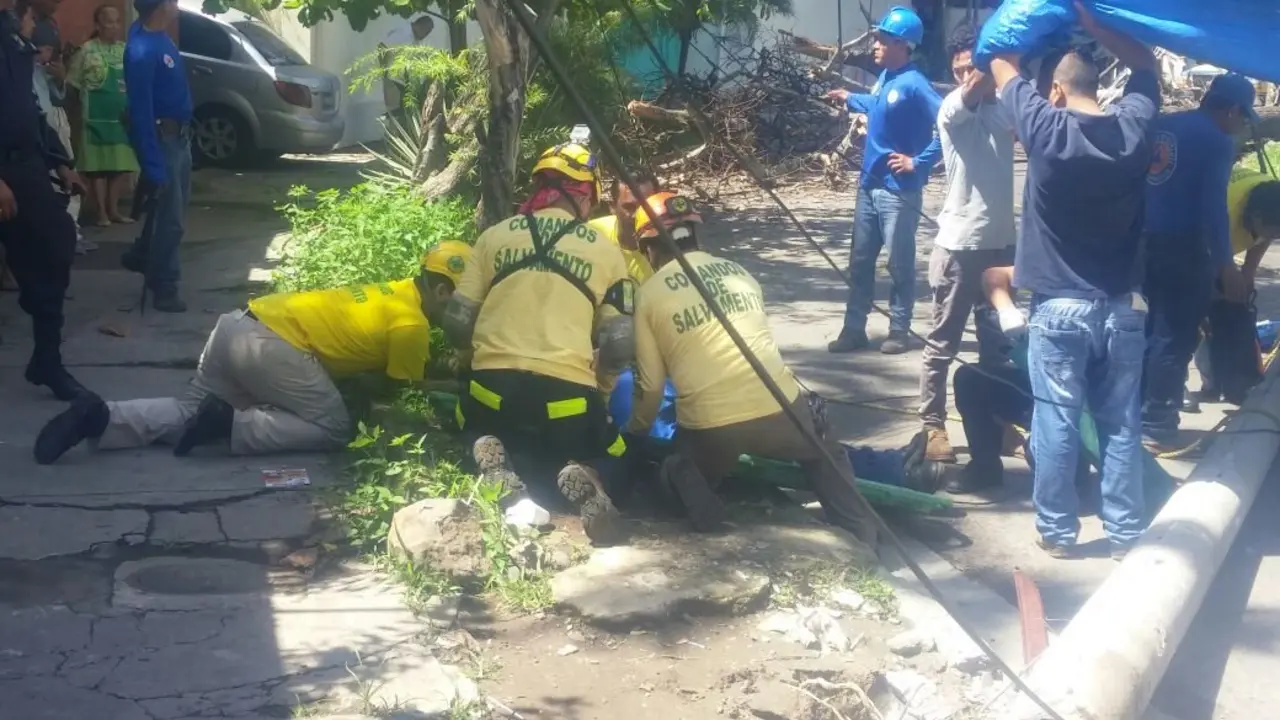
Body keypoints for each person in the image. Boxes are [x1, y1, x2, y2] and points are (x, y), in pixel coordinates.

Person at [34, 243, 473, 464]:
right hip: (272, 348)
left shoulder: (396, 292)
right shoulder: (413, 325)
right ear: (439, 289)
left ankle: (100, 416)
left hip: (237, 326)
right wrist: (456, 380)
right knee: (335, 426)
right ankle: (230, 424)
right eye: (463, 299)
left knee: (187, 410)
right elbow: (399, 390)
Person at [988, 3, 1159, 559]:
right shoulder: (1133, 128)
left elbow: (998, 58)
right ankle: (1126, 532)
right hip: (1123, 308)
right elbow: (1147, 66)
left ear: (1056, 92)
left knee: (1057, 421)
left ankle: (1059, 534)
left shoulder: (1045, 129)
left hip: (1059, 308)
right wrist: (1095, 22)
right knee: (1120, 424)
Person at [626, 191, 878, 545]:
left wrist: (634, 432)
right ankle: (861, 534)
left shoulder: (649, 294)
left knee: (678, 467)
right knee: (826, 453)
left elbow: (651, 386)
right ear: (697, 234)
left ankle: (692, 487)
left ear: (648, 247)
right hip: (780, 408)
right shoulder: (740, 273)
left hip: (711, 427)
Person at [442, 144, 635, 546]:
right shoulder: (606, 251)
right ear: (584, 194)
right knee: (616, 450)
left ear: (538, 185)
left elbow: (457, 320)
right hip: (566, 400)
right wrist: (599, 392)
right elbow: (620, 343)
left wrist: (465, 362)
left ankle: (488, 449)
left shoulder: (494, 236)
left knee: (472, 422)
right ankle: (590, 476)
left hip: (491, 390)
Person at [917, 24, 1016, 462]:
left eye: (970, 68)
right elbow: (974, 88)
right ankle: (933, 427)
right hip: (959, 246)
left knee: (999, 347)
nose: (965, 76)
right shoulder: (953, 107)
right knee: (943, 344)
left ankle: (999, 423)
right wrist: (993, 53)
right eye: (959, 69)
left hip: (1001, 245)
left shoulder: (1006, 109)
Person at [1140, 73, 1255, 446]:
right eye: (1242, 118)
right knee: (1173, 336)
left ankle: (1132, 412)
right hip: (1183, 246)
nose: (1240, 126)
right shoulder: (1216, 142)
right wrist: (1226, 264)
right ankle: (1157, 421)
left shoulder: (1162, 126)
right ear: (1233, 110)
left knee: (1144, 330)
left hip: (1140, 243)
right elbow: (1213, 209)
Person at [824, 6, 942, 355]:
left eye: (882, 39)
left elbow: (948, 126)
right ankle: (854, 329)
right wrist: (849, 98)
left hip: (898, 192)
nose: (875, 44)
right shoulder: (886, 79)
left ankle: (899, 330)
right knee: (860, 261)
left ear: (903, 45)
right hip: (869, 185)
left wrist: (918, 163)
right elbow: (876, 104)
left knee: (898, 263)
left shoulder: (915, 84)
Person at [1, 0, 90, 402]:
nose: (33, 22)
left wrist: (60, 164)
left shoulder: (15, 51)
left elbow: (32, 114)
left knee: (56, 243)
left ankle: (46, 359)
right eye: (30, 15)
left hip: (26, 168)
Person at [122, 0, 193, 313]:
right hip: (164, 141)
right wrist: (153, 166)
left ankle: (143, 255)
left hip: (180, 138)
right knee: (171, 220)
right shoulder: (141, 51)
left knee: (170, 213)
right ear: (160, 7)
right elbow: (140, 111)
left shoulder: (158, 36)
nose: (177, 4)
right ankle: (164, 285)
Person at [1194, 167, 1280, 401]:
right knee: (1194, 322)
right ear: (1256, 217)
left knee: (1235, 318)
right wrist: (1206, 313)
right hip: (1182, 243)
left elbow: (1263, 239)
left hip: (1231, 230)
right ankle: (1172, 394)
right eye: (1273, 233)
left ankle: (1234, 381)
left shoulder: (1271, 200)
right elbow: (1197, 269)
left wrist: (1247, 278)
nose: (1274, 239)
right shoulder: (1223, 216)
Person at [22, 6, 94, 255]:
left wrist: (61, 78)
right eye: (45, 49)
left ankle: (70, 230)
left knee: (66, 177)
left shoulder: (44, 72)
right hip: (35, 133)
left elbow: (58, 97)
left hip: (52, 127)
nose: (48, 55)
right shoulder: (20, 69)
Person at [67, 4, 139, 227]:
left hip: (121, 118)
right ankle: (101, 213)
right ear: (98, 25)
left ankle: (114, 209)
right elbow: (72, 83)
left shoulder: (125, 50)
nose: (115, 26)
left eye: (118, 21)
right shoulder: (86, 51)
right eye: (109, 21)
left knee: (118, 165)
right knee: (97, 168)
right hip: (94, 119)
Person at [587, 171, 659, 284]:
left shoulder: (668, 251)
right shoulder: (591, 235)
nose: (637, 215)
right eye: (629, 207)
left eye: (645, 207)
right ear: (613, 206)